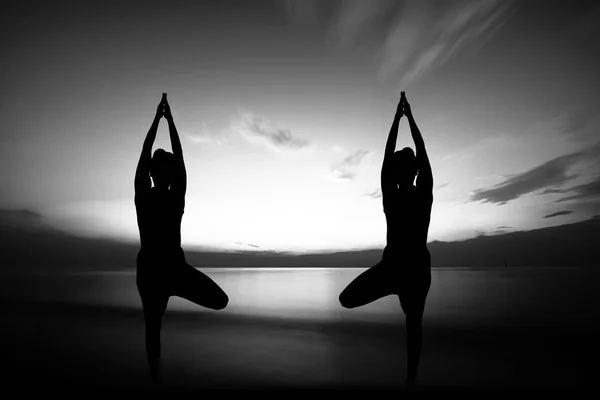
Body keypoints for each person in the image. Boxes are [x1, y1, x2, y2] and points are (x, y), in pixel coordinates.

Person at [339, 91, 433, 387]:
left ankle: (411, 379)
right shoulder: (395, 195)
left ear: (413, 171)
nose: (400, 168)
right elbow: (392, 156)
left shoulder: (421, 193)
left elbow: (421, 150)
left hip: (415, 271)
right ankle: (411, 378)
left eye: (406, 165)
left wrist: (405, 118)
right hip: (393, 267)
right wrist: (401, 118)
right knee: (347, 299)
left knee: (413, 328)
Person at [134, 93, 229, 383]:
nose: (170, 170)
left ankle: (156, 376)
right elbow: (146, 151)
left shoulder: (173, 196)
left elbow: (176, 159)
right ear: (155, 172)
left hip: (174, 269)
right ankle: (155, 380)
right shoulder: (146, 195)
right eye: (164, 167)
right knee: (153, 329)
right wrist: (162, 120)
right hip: (152, 272)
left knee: (220, 301)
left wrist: (166, 120)